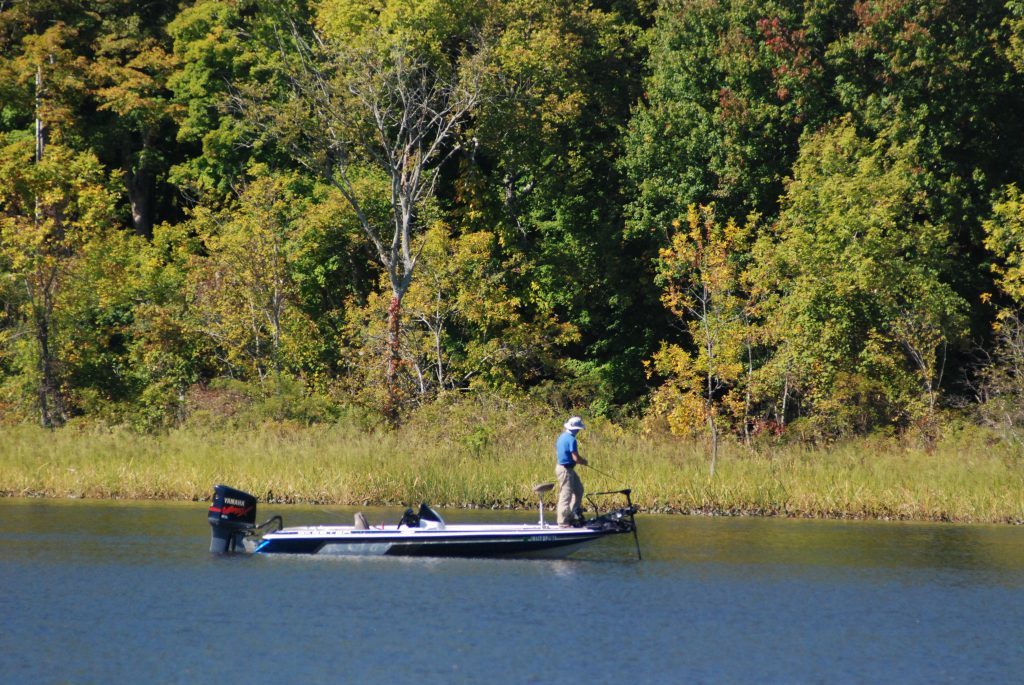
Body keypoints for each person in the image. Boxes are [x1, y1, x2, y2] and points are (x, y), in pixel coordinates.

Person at [555, 416, 588, 527]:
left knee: (579, 490)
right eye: (578, 428)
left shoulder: (562, 436)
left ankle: (573, 515)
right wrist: (583, 461)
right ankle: (563, 522)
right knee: (566, 495)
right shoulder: (571, 439)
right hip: (565, 470)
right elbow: (575, 458)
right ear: (576, 429)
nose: (579, 430)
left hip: (568, 469)